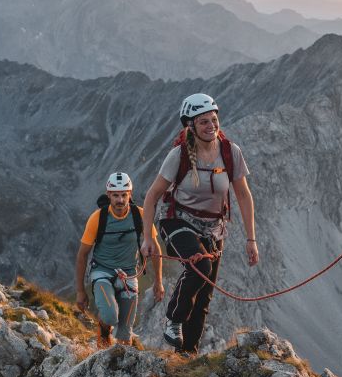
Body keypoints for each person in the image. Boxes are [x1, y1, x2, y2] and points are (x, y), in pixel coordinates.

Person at [140, 93, 259, 354]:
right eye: (203, 121)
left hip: (214, 229)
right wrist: (147, 238)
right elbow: (151, 196)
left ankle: (187, 355)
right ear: (190, 126)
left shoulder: (230, 152)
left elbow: (243, 194)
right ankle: (173, 318)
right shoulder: (179, 155)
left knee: (204, 295)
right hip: (177, 220)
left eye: (214, 120)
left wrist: (251, 239)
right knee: (200, 265)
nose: (211, 126)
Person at [76, 172, 164, 346]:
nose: (120, 200)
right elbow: (82, 254)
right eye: (115, 195)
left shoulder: (140, 215)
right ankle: (103, 331)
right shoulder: (97, 218)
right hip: (102, 272)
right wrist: (80, 291)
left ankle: (120, 365)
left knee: (125, 336)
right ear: (108, 195)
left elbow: (156, 248)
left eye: (124, 195)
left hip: (129, 275)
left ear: (130, 194)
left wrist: (158, 282)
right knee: (110, 315)